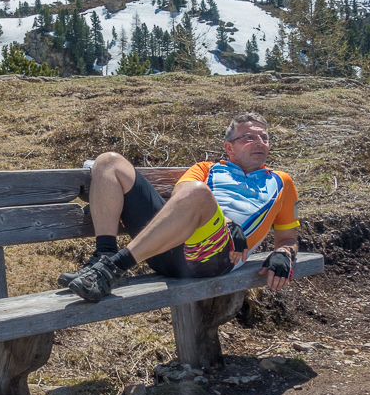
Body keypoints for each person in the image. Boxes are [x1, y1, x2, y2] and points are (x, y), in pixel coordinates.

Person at [62, 112, 299, 302]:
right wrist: (227, 222)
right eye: (249, 137)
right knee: (108, 161)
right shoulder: (206, 169)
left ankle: (111, 269)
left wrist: (284, 253)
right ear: (229, 148)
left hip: (214, 259)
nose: (260, 142)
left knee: (198, 192)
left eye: (264, 138)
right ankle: (105, 256)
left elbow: (288, 238)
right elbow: (181, 198)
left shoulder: (282, 182)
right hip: (164, 247)